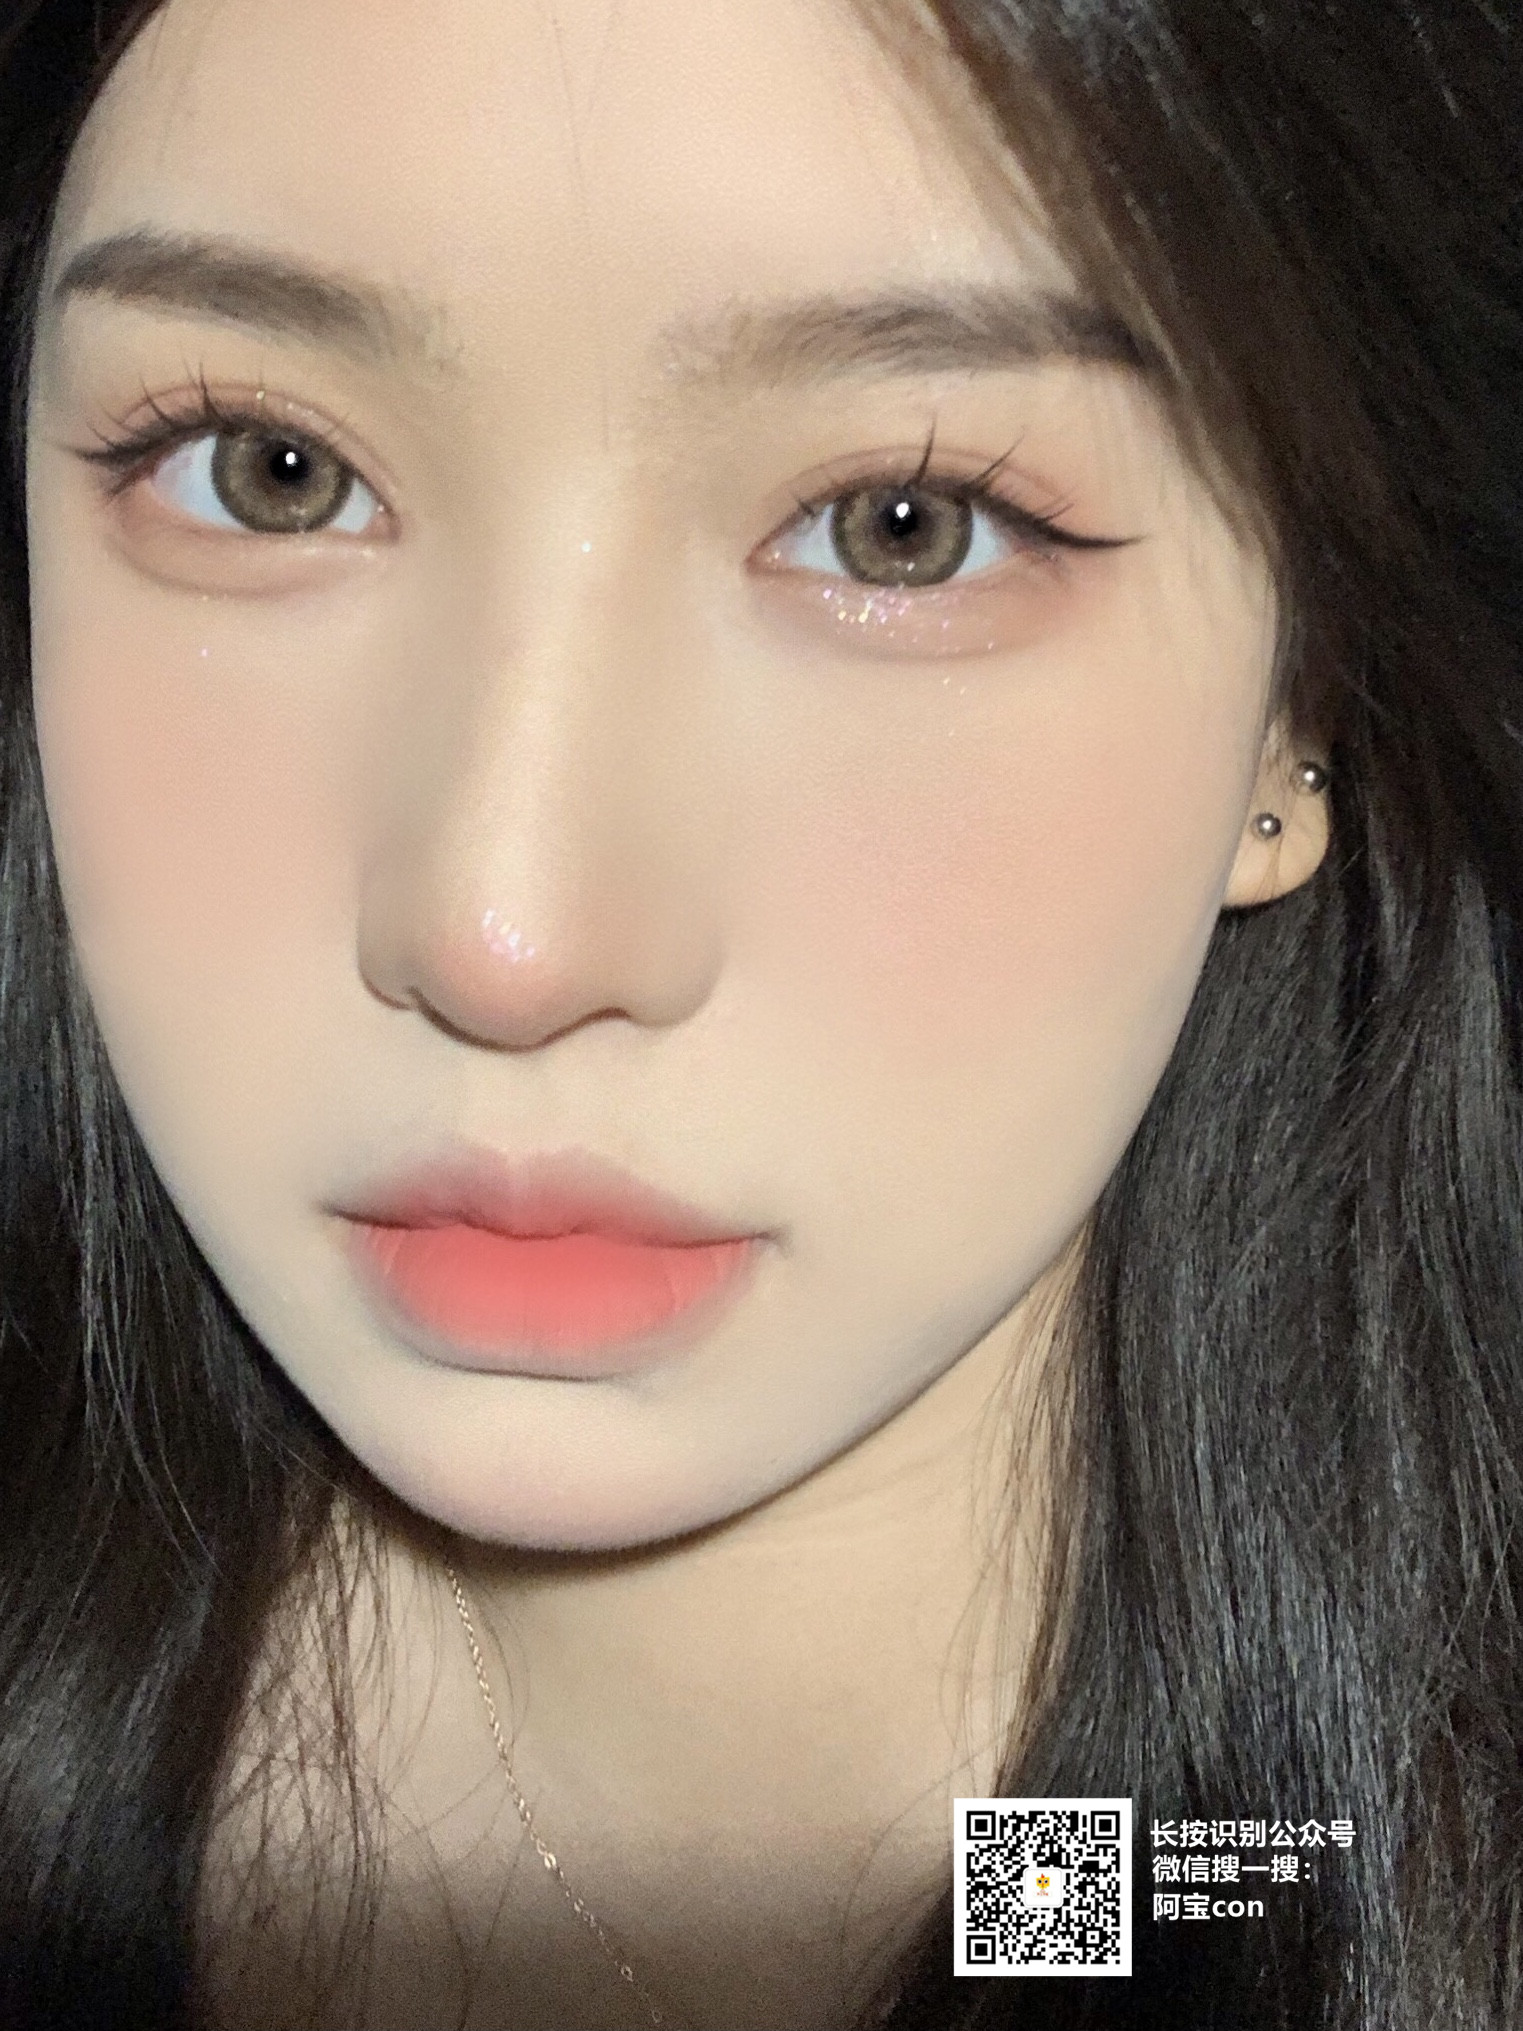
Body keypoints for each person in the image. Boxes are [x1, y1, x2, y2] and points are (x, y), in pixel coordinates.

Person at [1, 0, 1518, 2024]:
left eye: (907, 526)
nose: (508, 935)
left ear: (1302, 686)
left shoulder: (1247, 1878)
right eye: (273, 477)